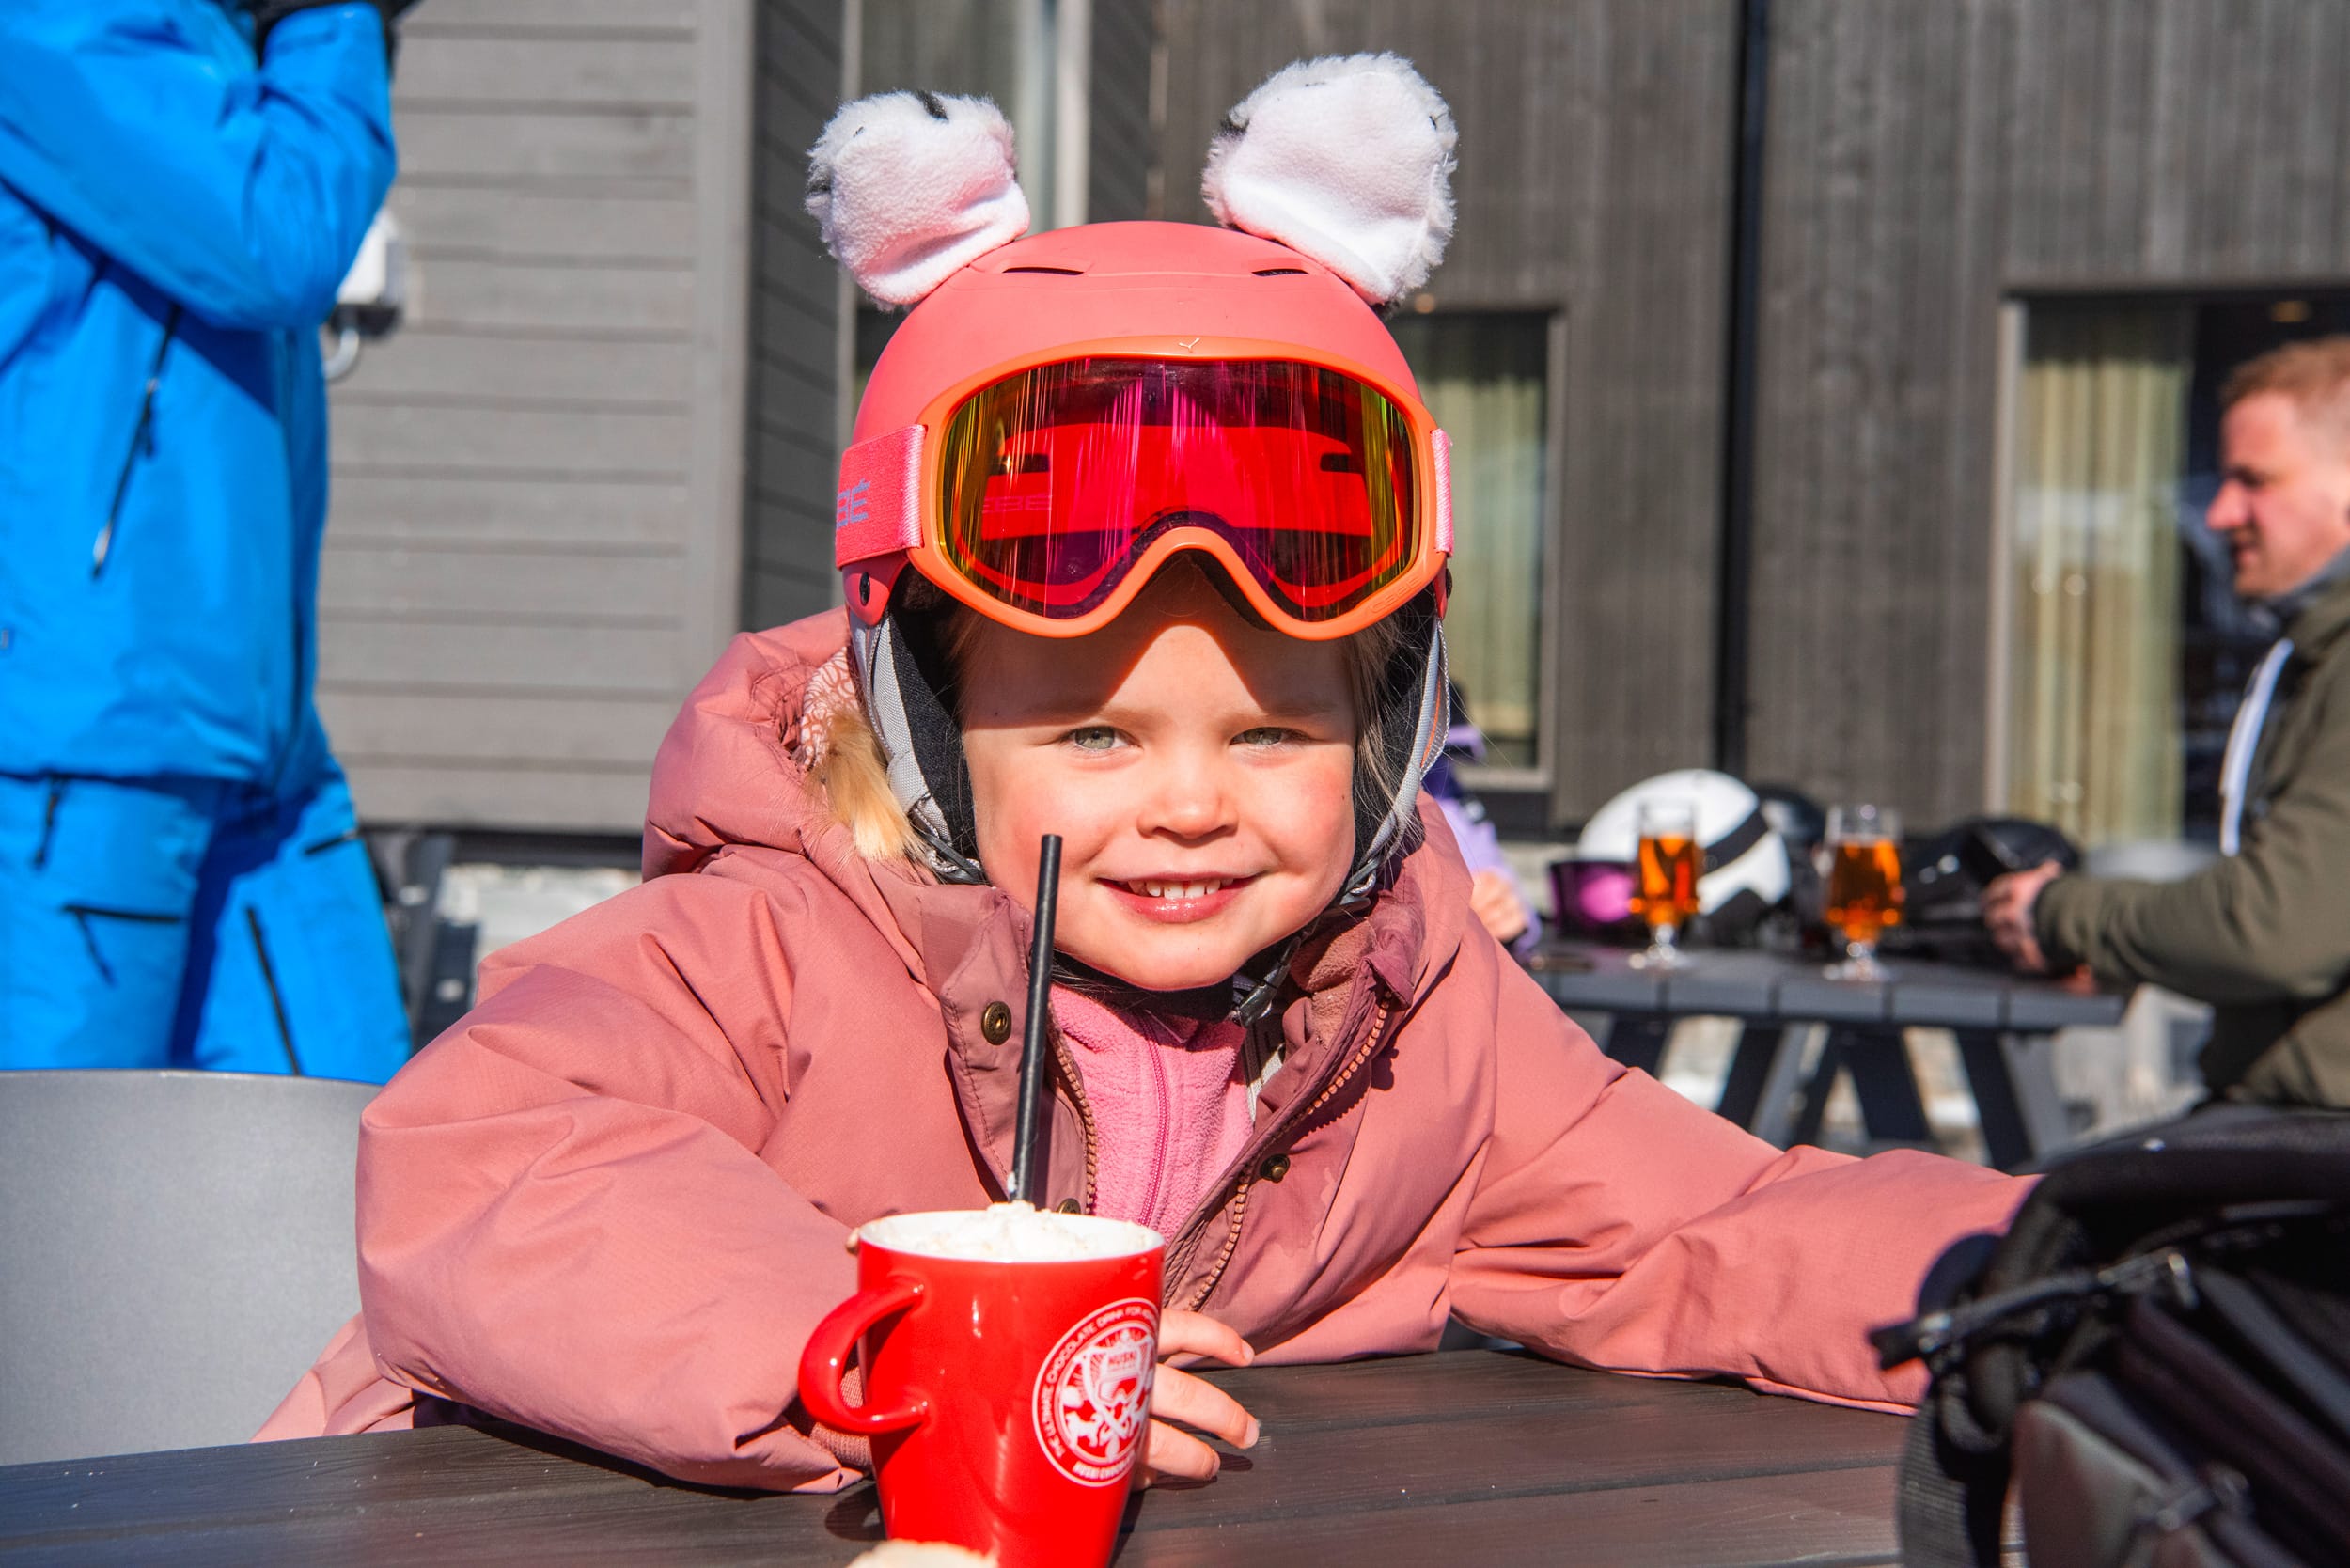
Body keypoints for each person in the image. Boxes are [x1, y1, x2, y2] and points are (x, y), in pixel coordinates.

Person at [259, 61, 2028, 1490]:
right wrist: (897, 1350)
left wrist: (2060, 1276)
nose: (1192, 803)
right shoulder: (771, 949)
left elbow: (1718, 1229)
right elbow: (498, 1156)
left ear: (1388, 735)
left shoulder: (1420, 1025)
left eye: (1273, 733)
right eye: (1097, 732)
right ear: (929, 727)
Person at [0, 0, 414, 1079]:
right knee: (61, 1165)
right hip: (84, 741)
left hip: (258, 738)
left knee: (356, 1136)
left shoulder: (202, 33)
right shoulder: (52, 23)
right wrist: (332, 17)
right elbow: (278, 236)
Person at [1985, 338, 2350, 1110]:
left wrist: (2062, 915)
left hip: (2314, 1138)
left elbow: (2272, 928)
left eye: (2255, 480)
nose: (2220, 514)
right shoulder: (2314, 648)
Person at [1420, 685, 1542, 952]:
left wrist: (1508, 913)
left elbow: (1502, 888)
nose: (1430, 769)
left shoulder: (1448, 792)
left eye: (1443, 756)